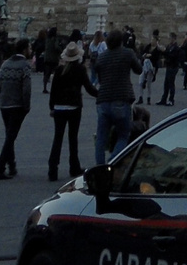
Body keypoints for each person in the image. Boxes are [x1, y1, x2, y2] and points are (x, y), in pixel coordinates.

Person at [48, 42, 99, 181]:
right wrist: (101, 94)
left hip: (59, 107)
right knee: (72, 138)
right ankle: (74, 166)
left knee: (57, 138)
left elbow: (53, 91)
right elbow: (89, 88)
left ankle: (53, 168)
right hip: (74, 107)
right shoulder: (80, 70)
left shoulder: (59, 70)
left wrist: (52, 107)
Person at [93, 28, 141, 161]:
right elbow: (139, 69)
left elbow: (100, 77)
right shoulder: (127, 53)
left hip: (103, 100)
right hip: (121, 99)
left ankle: (100, 167)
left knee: (101, 138)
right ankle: (112, 161)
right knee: (123, 135)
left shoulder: (102, 57)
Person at [0, 38, 33, 179]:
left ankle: (12, 166)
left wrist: (2, 98)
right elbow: (26, 89)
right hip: (17, 105)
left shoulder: (5, 63)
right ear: (24, 50)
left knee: (9, 135)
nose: (31, 50)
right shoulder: (25, 66)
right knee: (10, 137)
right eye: (29, 48)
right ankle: (0, 168)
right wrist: (26, 106)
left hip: (4, 104)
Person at [160, 33, 181, 106]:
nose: (169, 40)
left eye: (170, 38)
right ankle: (164, 99)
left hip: (173, 66)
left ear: (173, 38)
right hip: (169, 66)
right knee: (166, 83)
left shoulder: (176, 47)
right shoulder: (169, 46)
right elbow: (167, 54)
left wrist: (164, 52)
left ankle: (171, 99)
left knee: (171, 83)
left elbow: (173, 56)